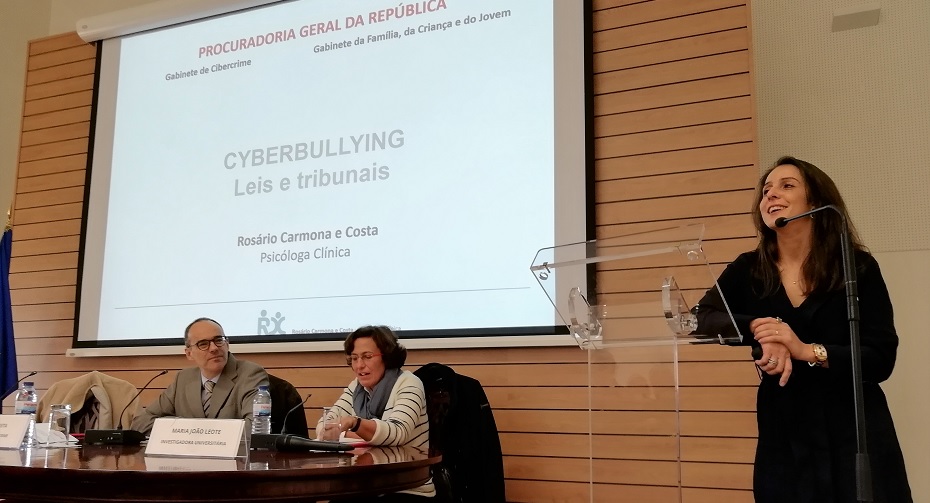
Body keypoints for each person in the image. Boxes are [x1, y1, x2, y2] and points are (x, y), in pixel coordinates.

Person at [694, 156, 911, 502]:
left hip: (853, 428)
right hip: (785, 431)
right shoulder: (749, 268)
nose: (770, 194)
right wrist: (763, 328)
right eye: (766, 190)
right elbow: (700, 318)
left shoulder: (857, 266)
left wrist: (806, 350)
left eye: (786, 186)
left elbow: (880, 358)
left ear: (816, 202)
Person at [318, 325, 434, 501]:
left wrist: (355, 424)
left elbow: (397, 433)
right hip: (366, 483)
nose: (359, 365)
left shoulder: (409, 383)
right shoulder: (356, 387)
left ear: (387, 357)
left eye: (367, 357)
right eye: (354, 358)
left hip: (408, 487)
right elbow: (324, 428)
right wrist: (364, 434)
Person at [130, 317, 269, 435]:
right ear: (189, 353)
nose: (214, 348)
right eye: (203, 344)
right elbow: (141, 422)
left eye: (218, 340)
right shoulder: (183, 379)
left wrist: (190, 432)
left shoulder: (250, 374)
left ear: (227, 344)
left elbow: (255, 429)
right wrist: (184, 429)